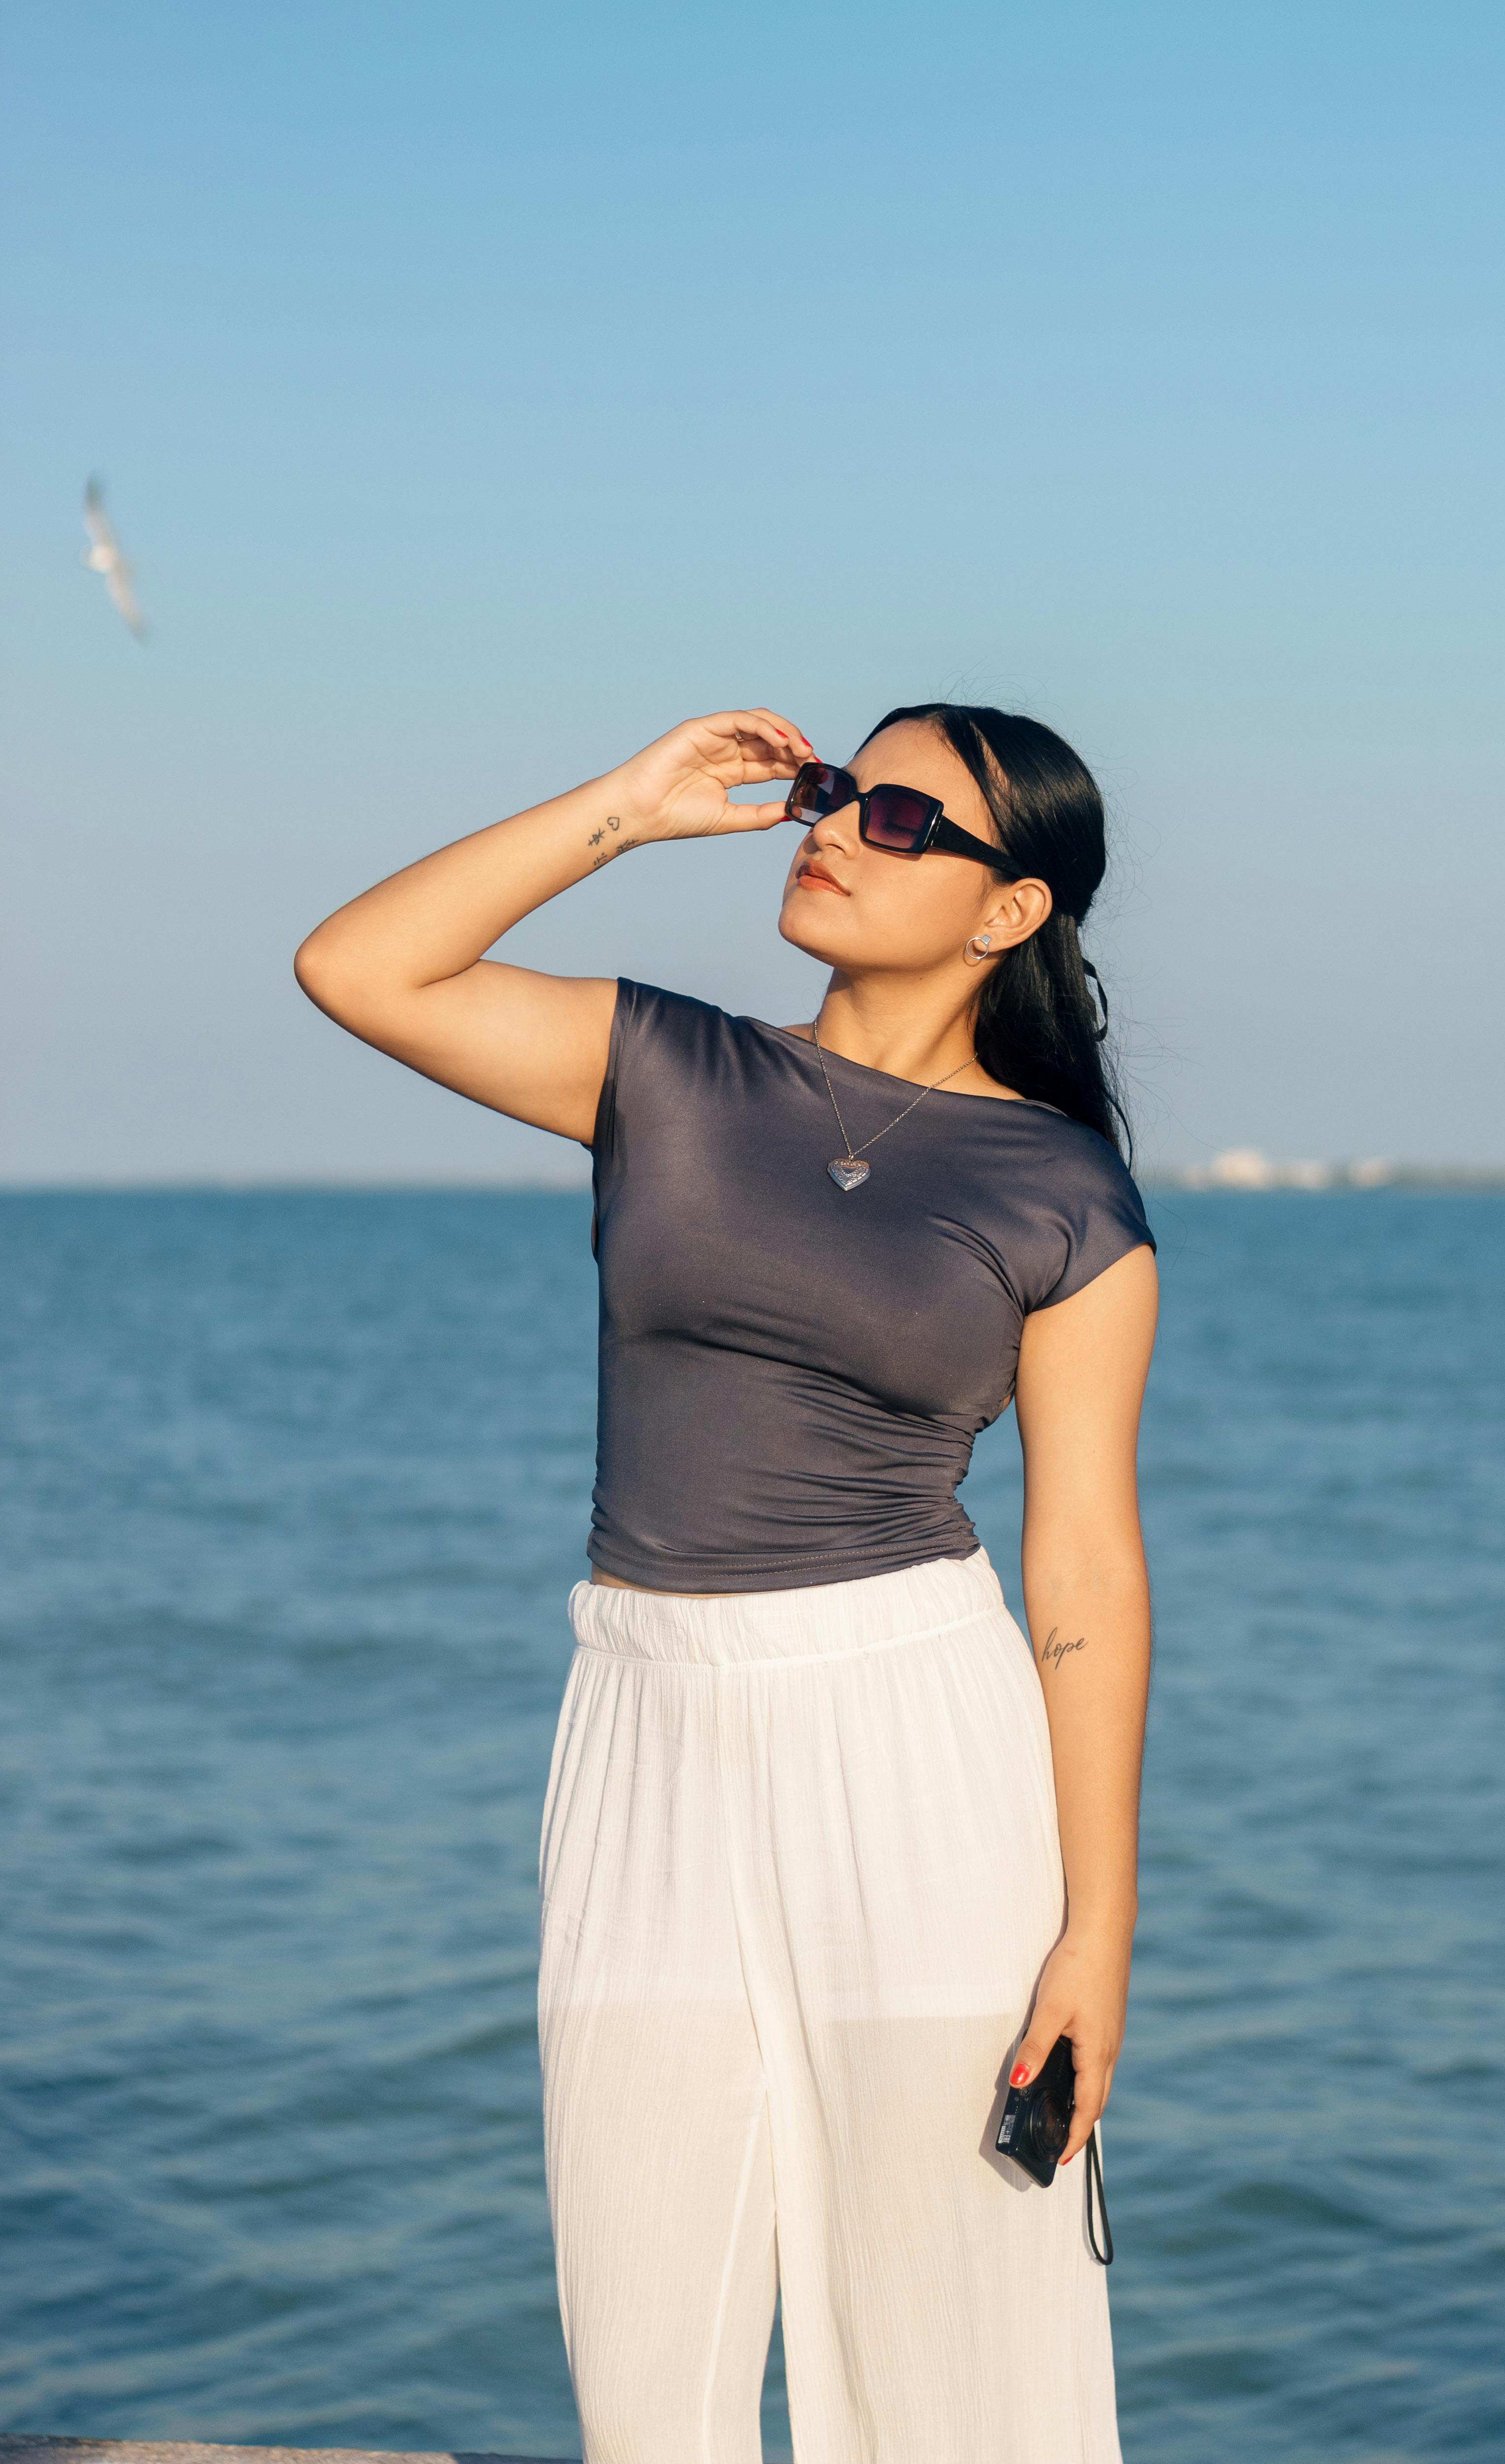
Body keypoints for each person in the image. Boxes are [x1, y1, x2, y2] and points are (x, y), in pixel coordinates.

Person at [293, 703, 1159, 2464]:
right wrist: (625, 806)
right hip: (640, 1723)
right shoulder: (666, 1067)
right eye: (839, 793)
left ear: (1010, 911)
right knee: (646, 2324)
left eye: (905, 820)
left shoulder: (1066, 1194)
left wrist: (1097, 1929)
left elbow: (1082, 1563)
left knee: (956, 2333)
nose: (834, 825)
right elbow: (357, 965)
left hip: (910, 1730)